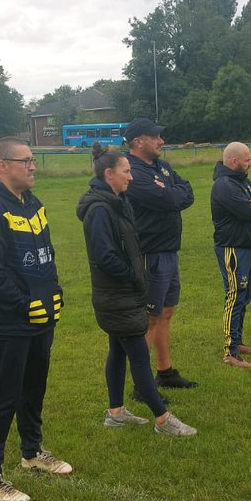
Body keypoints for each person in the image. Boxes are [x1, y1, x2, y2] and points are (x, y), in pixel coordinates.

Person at [0, 136, 70, 501]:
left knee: (33, 389)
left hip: (41, 320)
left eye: (32, 160)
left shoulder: (31, 201)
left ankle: (32, 452)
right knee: (2, 397)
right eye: (25, 160)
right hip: (7, 323)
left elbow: (48, 252)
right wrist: (24, 304)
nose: (33, 166)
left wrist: (53, 291)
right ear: (3, 166)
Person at [76, 147, 198, 437]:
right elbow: (105, 256)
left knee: (117, 351)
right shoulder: (100, 210)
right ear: (109, 174)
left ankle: (116, 413)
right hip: (117, 295)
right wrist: (134, 277)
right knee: (139, 357)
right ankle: (163, 418)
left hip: (122, 293)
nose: (131, 176)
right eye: (126, 171)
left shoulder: (118, 201)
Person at [121, 118, 197, 392]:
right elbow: (167, 200)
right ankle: (142, 385)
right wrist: (171, 195)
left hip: (168, 250)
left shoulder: (162, 166)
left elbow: (186, 193)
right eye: (156, 137)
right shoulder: (133, 171)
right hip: (149, 253)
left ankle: (165, 372)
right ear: (139, 141)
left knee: (166, 312)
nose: (161, 141)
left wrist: (172, 193)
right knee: (150, 318)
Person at [211, 142, 251, 369]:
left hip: (247, 246)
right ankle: (230, 352)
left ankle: (238, 341)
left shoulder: (242, 180)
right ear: (233, 161)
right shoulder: (224, 185)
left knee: (244, 296)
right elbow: (248, 212)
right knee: (235, 296)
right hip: (233, 248)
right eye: (247, 160)